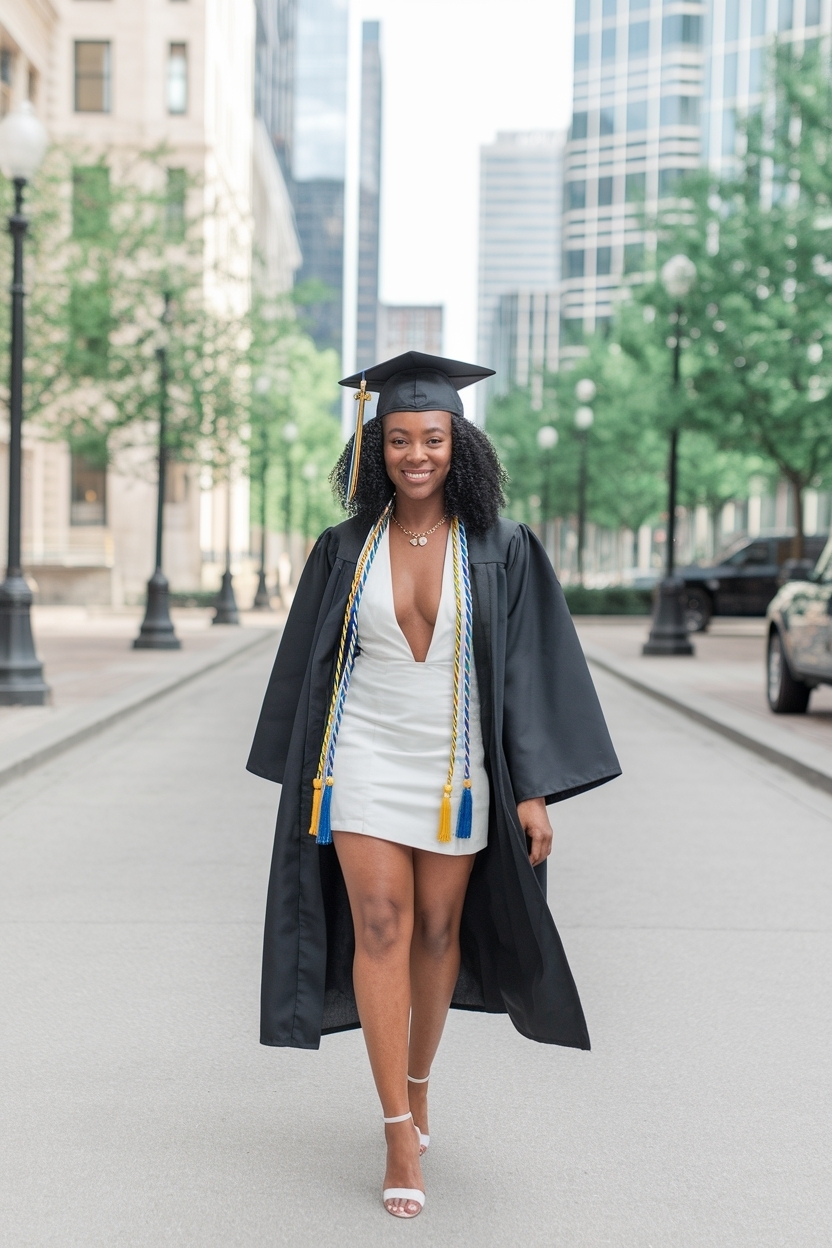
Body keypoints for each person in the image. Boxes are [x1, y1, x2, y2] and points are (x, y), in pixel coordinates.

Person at [247, 351, 621, 1219]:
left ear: (461, 446)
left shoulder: (502, 547)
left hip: (458, 767)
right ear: (374, 448)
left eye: (434, 438)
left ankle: (419, 1084)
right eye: (399, 440)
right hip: (365, 756)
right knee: (382, 924)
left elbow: (528, 671)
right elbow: (310, 665)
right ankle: (394, 1130)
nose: (416, 454)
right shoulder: (345, 548)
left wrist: (532, 789)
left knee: (439, 932)